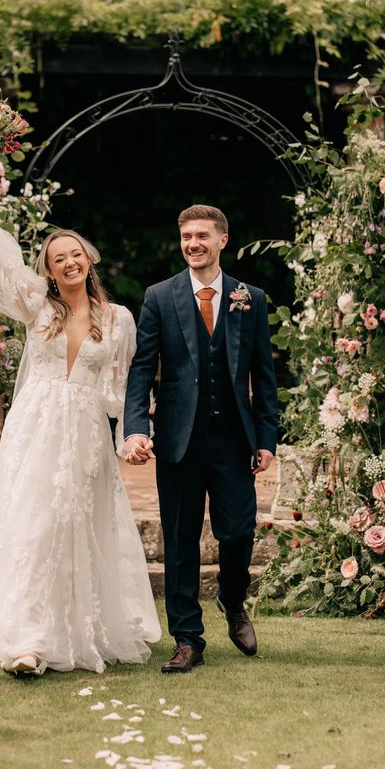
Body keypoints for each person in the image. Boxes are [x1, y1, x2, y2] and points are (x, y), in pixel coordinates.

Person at [0, 165, 160, 675]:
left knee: (80, 525)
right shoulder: (35, 304)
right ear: (47, 269)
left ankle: (82, 629)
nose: (68, 262)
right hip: (35, 429)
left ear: (90, 260)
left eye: (75, 254)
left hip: (86, 432)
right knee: (34, 526)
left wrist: (133, 434)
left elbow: (129, 385)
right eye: (57, 258)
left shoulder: (119, 319)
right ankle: (30, 641)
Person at [124, 205, 278, 673]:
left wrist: (267, 438)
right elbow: (141, 371)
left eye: (202, 236)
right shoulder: (159, 296)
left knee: (237, 532)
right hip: (177, 438)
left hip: (234, 440)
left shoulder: (250, 298)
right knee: (180, 538)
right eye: (187, 236)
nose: (193, 243)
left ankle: (232, 601)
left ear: (222, 240)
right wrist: (135, 428)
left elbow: (263, 376)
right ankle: (188, 638)